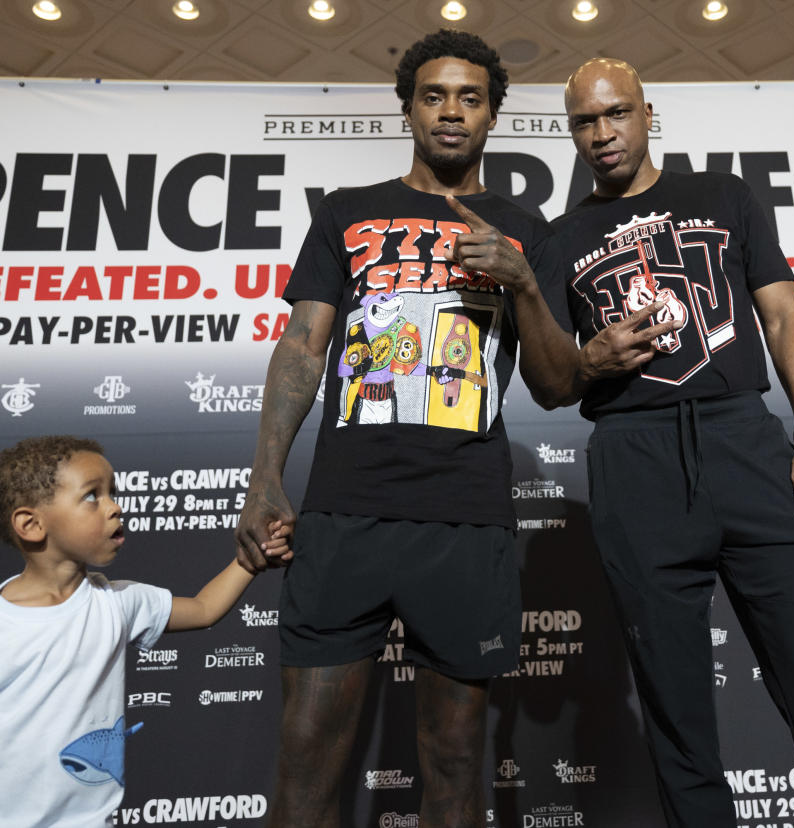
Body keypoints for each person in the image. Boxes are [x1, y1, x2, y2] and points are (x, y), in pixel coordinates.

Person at [230, 29, 660, 828]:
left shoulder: (530, 225)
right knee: (308, 751)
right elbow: (301, 347)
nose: (451, 112)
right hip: (344, 508)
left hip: (464, 517)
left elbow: (558, 384)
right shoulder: (347, 214)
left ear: (494, 116)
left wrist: (526, 280)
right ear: (408, 110)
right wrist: (265, 477)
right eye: (434, 95)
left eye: (470, 97)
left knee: (458, 757)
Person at [537, 59, 794, 827]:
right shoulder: (560, 237)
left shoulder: (723, 195)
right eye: (585, 122)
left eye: (617, 113)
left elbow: (784, 319)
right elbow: (548, 381)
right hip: (633, 458)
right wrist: (591, 359)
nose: (603, 134)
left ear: (647, 113)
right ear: (572, 131)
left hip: (746, 441)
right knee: (678, 724)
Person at [0, 435, 271, 828]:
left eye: (113, 492)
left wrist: (254, 558)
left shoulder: (118, 603)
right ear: (31, 524)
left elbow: (205, 609)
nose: (114, 506)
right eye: (93, 496)